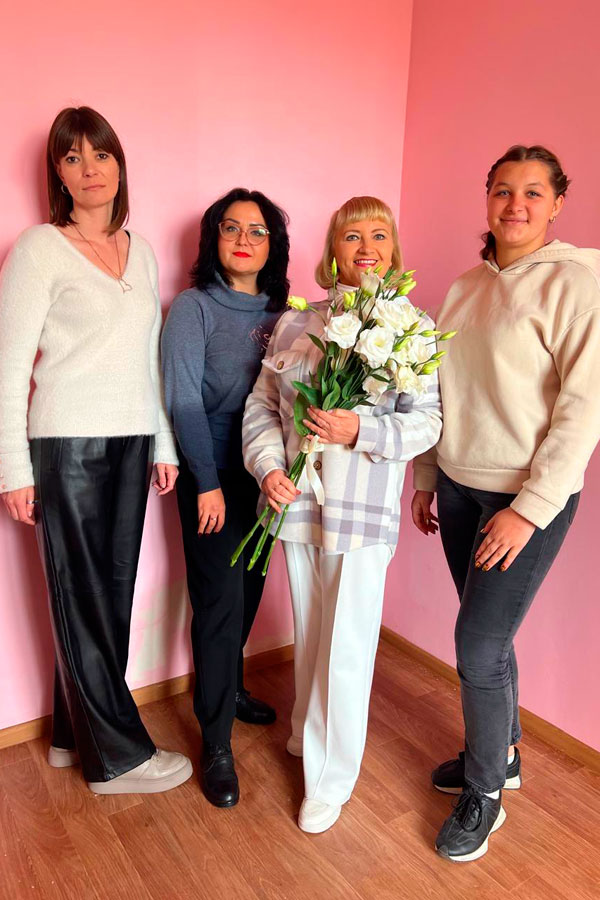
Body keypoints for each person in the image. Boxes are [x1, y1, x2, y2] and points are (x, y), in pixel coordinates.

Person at [411, 145, 600, 862]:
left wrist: (528, 508)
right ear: (486, 198)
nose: (515, 204)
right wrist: (429, 477)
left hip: (525, 499)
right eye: (502, 190)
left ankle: (485, 791)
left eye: (533, 192)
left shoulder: (579, 284)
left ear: (557, 203)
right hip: (461, 487)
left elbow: (583, 409)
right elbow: (441, 391)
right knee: (490, 638)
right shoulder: (464, 288)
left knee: (478, 644)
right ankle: (505, 752)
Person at [0, 106, 192, 794]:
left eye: (101, 154)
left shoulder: (141, 250)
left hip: (133, 443)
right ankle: (117, 759)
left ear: (119, 164)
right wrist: (13, 469)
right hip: (66, 445)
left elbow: (148, 359)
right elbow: (8, 364)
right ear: (58, 173)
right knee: (80, 597)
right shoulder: (38, 249)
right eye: (73, 157)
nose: (89, 169)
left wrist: (164, 443)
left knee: (109, 598)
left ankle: (69, 735)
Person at [243, 196, 443, 833]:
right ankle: (308, 730)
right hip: (298, 503)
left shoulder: (413, 329)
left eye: (378, 235)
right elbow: (261, 407)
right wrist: (267, 468)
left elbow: (428, 423)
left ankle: (329, 780)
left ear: (393, 249)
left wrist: (362, 430)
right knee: (312, 630)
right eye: (352, 236)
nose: (366, 248)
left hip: (363, 510)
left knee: (347, 645)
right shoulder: (297, 323)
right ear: (333, 250)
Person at [161, 188, 290, 807]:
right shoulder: (193, 308)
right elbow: (183, 400)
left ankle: (231, 688)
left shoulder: (286, 315)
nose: (244, 239)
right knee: (218, 605)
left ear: (273, 245)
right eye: (231, 228)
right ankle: (215, 743)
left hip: (268, 476)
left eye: (257, 230)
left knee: (249, 593)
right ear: (213, 238)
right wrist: (206, 483)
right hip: (211, 474)